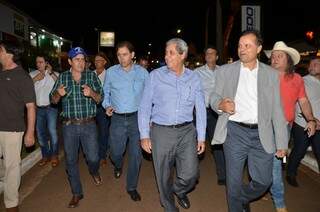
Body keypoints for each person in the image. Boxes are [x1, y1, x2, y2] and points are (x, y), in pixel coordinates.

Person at [210, 30, 288, 212]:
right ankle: (236, 204)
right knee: (234, 181)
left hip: (262, 134)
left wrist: (282, 143)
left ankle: (241, 197)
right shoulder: (226, 71)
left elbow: (277, 110)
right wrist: (220, 103)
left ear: (259, 48)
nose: (242, 49)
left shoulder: (271, 74)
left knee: (264, 181)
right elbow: (213, 96)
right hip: (235, 132)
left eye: (247, 45)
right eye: (239, 45)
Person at [138, 38, 206, 212]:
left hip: (186, 132)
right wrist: (144, 135)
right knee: (163, 175)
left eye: (171, 53)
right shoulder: (155, 76)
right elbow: (144, 107)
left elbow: (200, 108)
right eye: (166, 52)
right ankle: (169, 206)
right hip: (161, 132)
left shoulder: (194, 78)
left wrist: (202, 136)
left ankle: (179, 190)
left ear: (182, 55)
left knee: (191, 174)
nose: (166, 56)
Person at [265, 41, 316, 212]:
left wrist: (311, 119)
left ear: (288, 60)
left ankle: (277, 199)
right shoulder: (263, 76)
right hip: (264, 127)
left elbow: (303, 101)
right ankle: (270, 195)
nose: (274, 59)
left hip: (284, 128)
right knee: (267, 162)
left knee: (276, 163)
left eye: (279, 56)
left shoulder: (297, 79)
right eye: (273, 56)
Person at [50, 47, 103, 208]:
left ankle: (94, 171)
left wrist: (91, 93)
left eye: (82, 59)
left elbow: (100, 98)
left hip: (89, 125)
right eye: (77, 59)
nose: (81, 62)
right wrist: (58, 94)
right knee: (71, 161)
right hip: (69, 126)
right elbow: (53, 100)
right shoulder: (63, 77)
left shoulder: (91, 76)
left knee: (93, 158)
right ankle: (76, 193)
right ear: (70, 61)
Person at [102, 41, 149, 201]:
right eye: (119, 55)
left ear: (133, 55)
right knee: (116, 152)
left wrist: (149, 117)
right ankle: (118, 164)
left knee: (136, 155)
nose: (121, 58)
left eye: (125, 54)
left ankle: (131, 187)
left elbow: (149, 97)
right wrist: (107, 105)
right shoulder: (111, 72)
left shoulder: (143, 73)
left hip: (137, 119)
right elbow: (106, 92)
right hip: (117, 119)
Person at [0, 40, 36, 212]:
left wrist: (30, 133)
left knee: (12, 167)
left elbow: (30, 107)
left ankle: (11, 204)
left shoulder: (22, 77)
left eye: (0, 50)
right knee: (6, 168)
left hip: (12, 130)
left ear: (9, 53)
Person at [194, 45, 226, 185]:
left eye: (212, 53)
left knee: (217, 143)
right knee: (194, 143)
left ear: (217, 57)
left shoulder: (223, 71)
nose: (209, 56)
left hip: (216, 113)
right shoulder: (197, 72)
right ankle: (193, 173)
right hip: (200, 112)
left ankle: (222, 174)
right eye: (207, 53)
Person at [287, 57, 320, 187]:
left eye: (316, 64)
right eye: (311, 64)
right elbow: (297, 103)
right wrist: (311, 119)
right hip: (302, 124)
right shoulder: (302, 81)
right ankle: (290, 173)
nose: (312, 66)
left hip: (318, 127)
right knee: (299, 150)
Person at [29, 56, 60, 167]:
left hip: (51, 107)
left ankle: (54, 155)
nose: (38, 64)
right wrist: (35, 79)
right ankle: (45, 156)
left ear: (46, 63)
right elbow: (26, 88)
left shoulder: (53, 74)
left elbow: (60, 85)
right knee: (40, 133)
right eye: (37, 62)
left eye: (41, 62)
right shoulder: (32, 74)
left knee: (52, 131)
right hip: (38, 109)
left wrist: (51, 73)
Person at [93, 52, 111, 166]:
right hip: (92, 106)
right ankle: (94, 152)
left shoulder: (109, 74)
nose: (96, 62)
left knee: (103, 132)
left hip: (103, 107)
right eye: (95, 60)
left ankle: (102, 155)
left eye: (99, 60)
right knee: (92, 132)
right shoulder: (91, 74)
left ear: (104, 62)